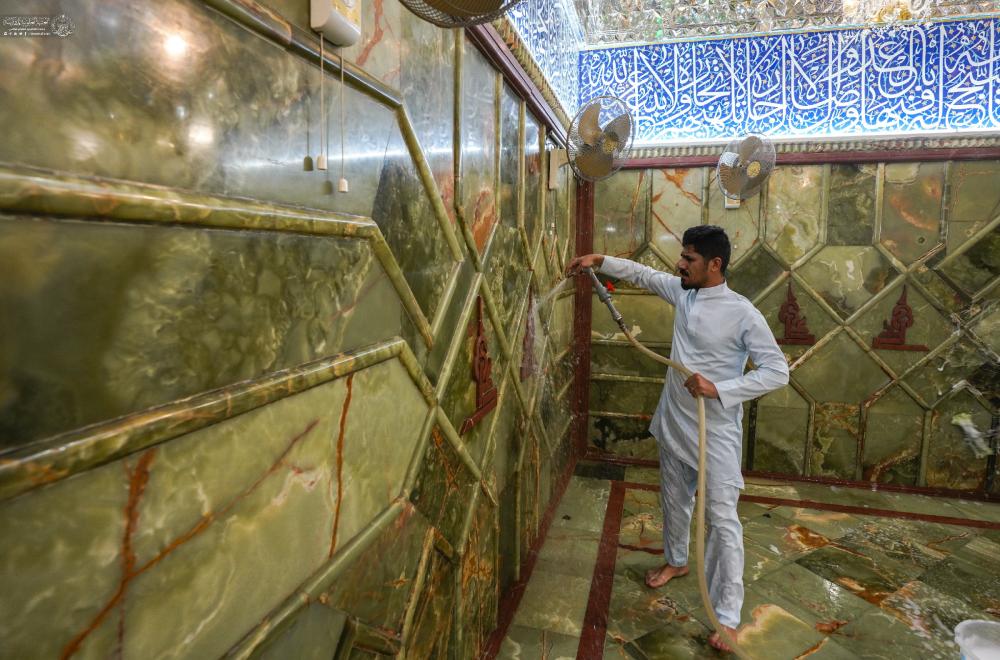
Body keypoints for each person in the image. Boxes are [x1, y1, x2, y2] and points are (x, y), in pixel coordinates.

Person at [565, 225, 789, 652]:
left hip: (714, 434)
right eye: (682, 256)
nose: (679, 264)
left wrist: (720, 389)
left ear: (715, 264)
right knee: (674, 500)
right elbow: (644, 274)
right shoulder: (684, 293)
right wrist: (599, 260)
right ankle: (677, 561)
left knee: (722, 522)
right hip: (673, 424)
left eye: (689, 258)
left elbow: (777, 371)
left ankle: (727, 616)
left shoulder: (742, 313)